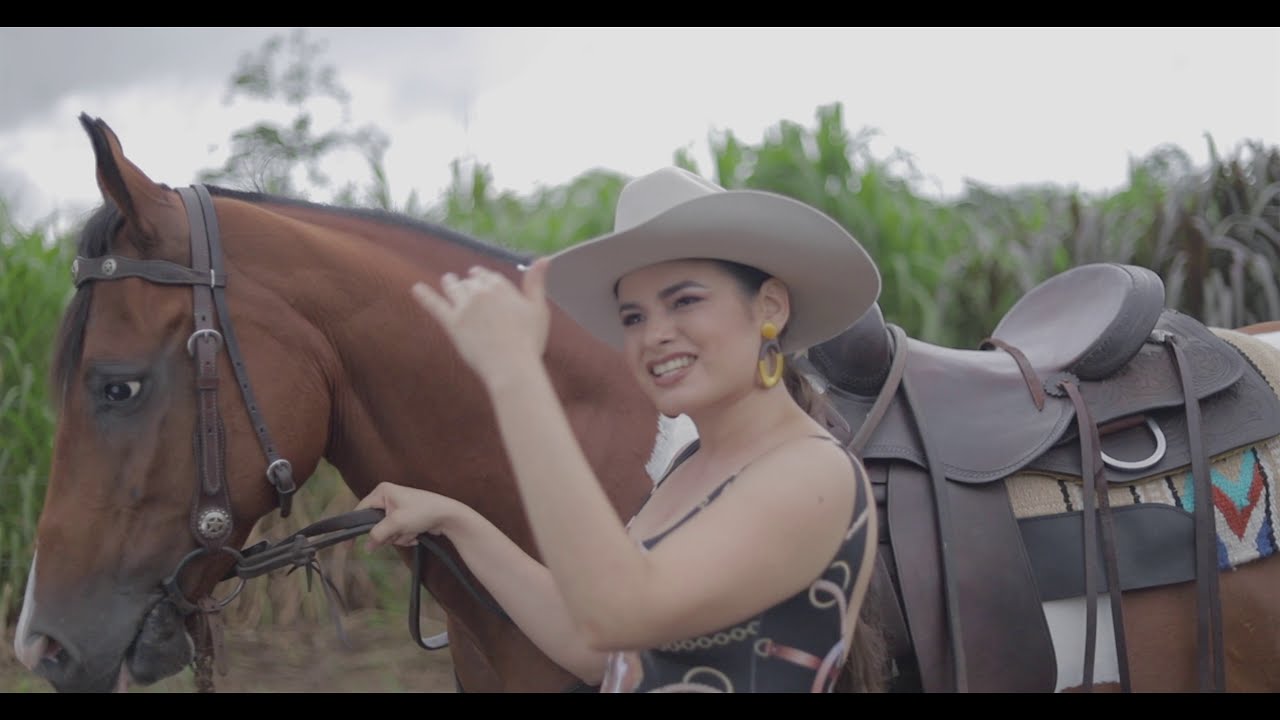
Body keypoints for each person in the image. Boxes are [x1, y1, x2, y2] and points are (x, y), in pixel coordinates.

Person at [356, 166, 883, 693]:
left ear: (769, 306)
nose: (654, 335)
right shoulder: (685, 471)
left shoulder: (812, 472)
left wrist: (514, 372)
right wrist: (457, 521)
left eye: (685, 301)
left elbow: (617, 612)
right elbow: (601, 653)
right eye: (633, 318)